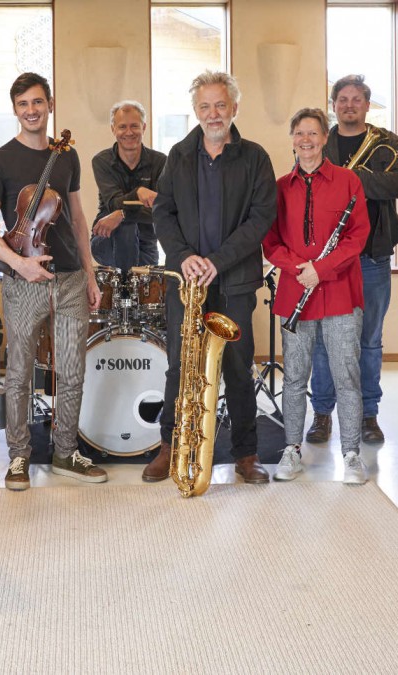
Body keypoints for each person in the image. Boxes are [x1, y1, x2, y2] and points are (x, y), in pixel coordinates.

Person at [0, 72, 108, 490]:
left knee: (72, 369)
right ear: (15, 110)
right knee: (19, 371)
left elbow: (78, 218)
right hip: (24, 279)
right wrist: (20, 262)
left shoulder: (67, 156)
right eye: (22, 105)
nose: (31, 111)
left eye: (37, 102)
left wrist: (90, 273)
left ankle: (66, 452)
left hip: (69, 278)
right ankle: (18, 457)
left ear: (50, 103)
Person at [141, 70, 276, 484]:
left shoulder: (255, 157)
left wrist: (217, 261)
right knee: (180, 366)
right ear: (195, 110)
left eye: (221, 105)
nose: (213, 113)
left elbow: (260, 219)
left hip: (233, 281)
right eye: (205, 106)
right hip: (187, 281)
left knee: (237, 366)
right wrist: (183, 258)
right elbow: (164, 213)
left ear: (234, 108)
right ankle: (170, 446)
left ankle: (246, 455)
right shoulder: (178, 155)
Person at [263, 108, 370, 484]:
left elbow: (358, 236)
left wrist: (320, 270)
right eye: (299, 133)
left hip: (340, 291)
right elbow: (270, 241)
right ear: (292, 138)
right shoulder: (277, 187)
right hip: (295, 292)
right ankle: (291, 449)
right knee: (294, 377)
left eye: (313, 133)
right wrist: (299, 269)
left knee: (346, 376)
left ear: (326, 138)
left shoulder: (348, 181)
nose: (305, 140)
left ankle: (352, 454)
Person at [307, 75, 398, 446]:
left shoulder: (387, 143)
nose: (349, 105)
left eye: (357, 99)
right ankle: (321, 414)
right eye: (342, 99)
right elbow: (309, 186)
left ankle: (369, 416)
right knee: (323, 341)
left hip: (372, 256)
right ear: (333, 104)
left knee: (369, 341)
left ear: (367, 104)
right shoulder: (320, 140)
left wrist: (351, 180)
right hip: (328, 260)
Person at [90, 100, 166, 271]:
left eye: (135, 126)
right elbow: (113, 203)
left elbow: (161, 210)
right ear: (113, 129)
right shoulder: (102, 161)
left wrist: (122, 213)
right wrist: (138, 193)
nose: (129, 132)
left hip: (146, 244)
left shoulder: (160, 162)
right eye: (122, 127)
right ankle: (125, 295)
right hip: (106, 238)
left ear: (144, 127)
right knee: (127, 228)